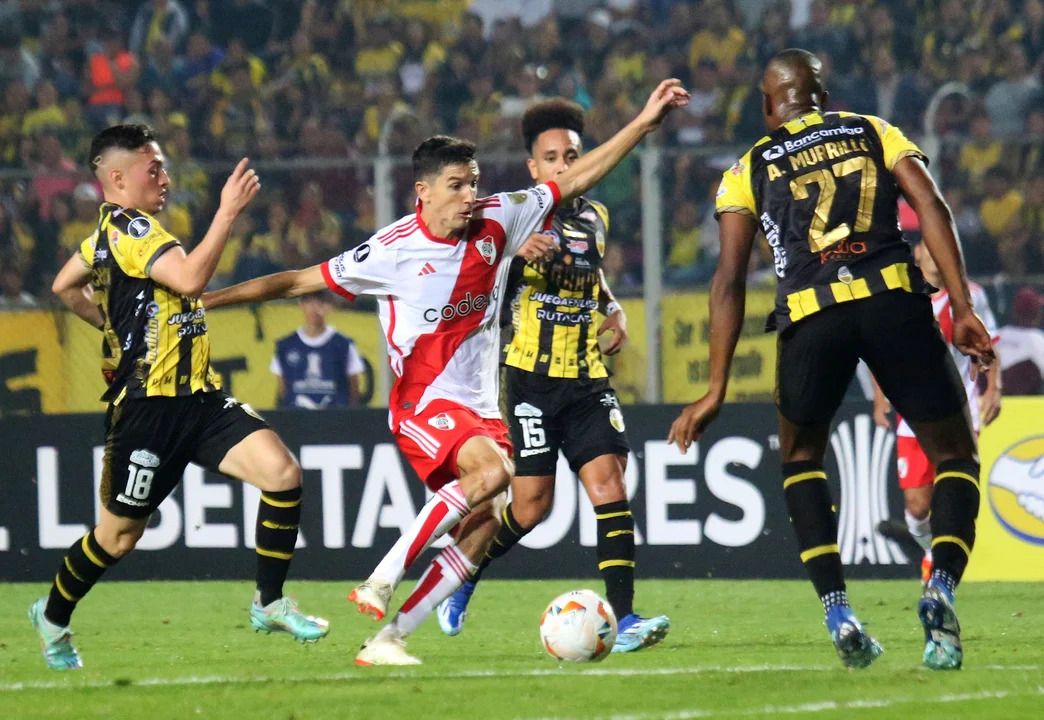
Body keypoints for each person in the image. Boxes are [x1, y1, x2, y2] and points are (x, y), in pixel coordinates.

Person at [202, 79, 689, 665]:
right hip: (423, 403)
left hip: (482, 406)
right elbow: (293, 281)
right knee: (496, 474)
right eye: (456, 187)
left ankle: (389, 638)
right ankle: (381, 577)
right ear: (423, 193)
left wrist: (642, 121)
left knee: (482, 528)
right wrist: (206, 300)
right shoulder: (389, 251)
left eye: (474, 184)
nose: (469, 197)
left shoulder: (499, 219)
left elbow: (579, 178)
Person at [667, 50, 994, 671]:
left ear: (769, 106)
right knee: (954, 454)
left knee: (800, 459)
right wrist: (963, 304)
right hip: (893, 300)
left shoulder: (745, 168)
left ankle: (839, 611)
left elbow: (728, 279)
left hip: (811, 316)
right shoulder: (873, 130)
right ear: (824, 93)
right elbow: (932, 208)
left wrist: (714, 387)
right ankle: (941, 590)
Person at [34, 124, 328, 671]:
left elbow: (62, 285)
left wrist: (108, 326)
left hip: (199, 398)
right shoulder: (135, 230)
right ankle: (51, 617)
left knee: (282, 474)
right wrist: (227, 212)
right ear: (117, 178)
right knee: (117, 538)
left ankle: (269, 602)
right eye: (154, 169)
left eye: (164, 168)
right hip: (147, 409)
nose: (165, 179)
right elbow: (191, 279)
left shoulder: (103, 235)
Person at [435, 99, 670, 652]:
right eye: (551, 157)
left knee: (610, 487)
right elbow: (463, 268)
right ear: (533, 169)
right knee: (531, 508)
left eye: (572, 155)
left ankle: (627, 618)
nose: (564, 165)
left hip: (586, 377)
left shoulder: (596, 217)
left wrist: (615, 308)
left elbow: (594, 275)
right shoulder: (505, 220)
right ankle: (463, 575)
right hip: (530, 383)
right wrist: (513, 252)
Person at [873, 241, 1001, 583]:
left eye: (940, 246)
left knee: (950, 493)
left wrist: (993, 388)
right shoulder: (903, 295)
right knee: (917, 507)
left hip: (961, 411)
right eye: (927, 247)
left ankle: (943, 572)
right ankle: (930, 550)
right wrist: (878, 397)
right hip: (912, 412)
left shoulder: (969, 296)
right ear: (917, 253)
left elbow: (990, 343)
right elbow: (877, 349)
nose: (934, 252)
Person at [271, 291, 367, 408]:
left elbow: (354, 390)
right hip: (298, 420)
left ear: (330, 306)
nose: (314, 308)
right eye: (309, 302)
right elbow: (284, 390)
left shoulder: (343, 344)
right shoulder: (285, 345)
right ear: (301, 305)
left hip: (335, 420)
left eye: (321, 302)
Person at [996, 287, 1044, 395]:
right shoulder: (1037, 340)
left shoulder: (997, 336)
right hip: (1026, 404)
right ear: (1037, 313)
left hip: (990, 402)